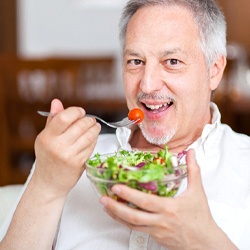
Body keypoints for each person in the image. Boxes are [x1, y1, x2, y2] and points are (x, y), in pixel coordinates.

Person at [1, 0, 250, 249]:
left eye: (172, 61)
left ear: (214, 70)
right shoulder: (67, 160)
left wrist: (204, 242)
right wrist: (47, 184)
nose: (147, 85)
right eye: (136, 62)